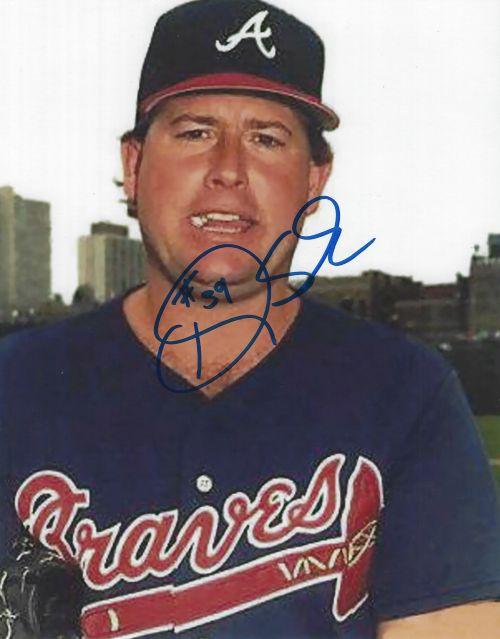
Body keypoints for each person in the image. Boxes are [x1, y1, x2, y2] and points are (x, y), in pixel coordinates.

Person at [0, 1, 499, 638]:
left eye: (267, 139)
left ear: (314, 180)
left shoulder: (406, 394)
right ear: (133, 166)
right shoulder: (16, 387)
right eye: (195, 133)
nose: (229, 170)